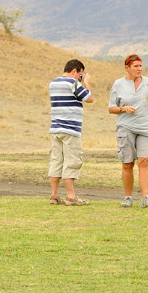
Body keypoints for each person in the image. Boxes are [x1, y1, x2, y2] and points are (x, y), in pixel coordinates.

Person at [108, 53, 148, 208]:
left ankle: (146, 198)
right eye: (136, 66)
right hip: (126, 127)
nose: (139, 69)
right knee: (127, 163)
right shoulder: (118, 84)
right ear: (127, 68)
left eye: (140, 66)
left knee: (144, 161)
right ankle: (128, 197)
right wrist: (123, 108)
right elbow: (111, 108)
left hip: (145, 128)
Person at [48, 59, 94, 205]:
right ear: (75, 71)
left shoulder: (53, 83)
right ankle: (71, 196)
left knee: (56, 161)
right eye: (81, 75)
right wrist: (86, 83)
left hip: (55, 129)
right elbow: (90, 98)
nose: (80, 78)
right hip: (70, 129)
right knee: (72, 161)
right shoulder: (73, 83)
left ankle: (54, 195)